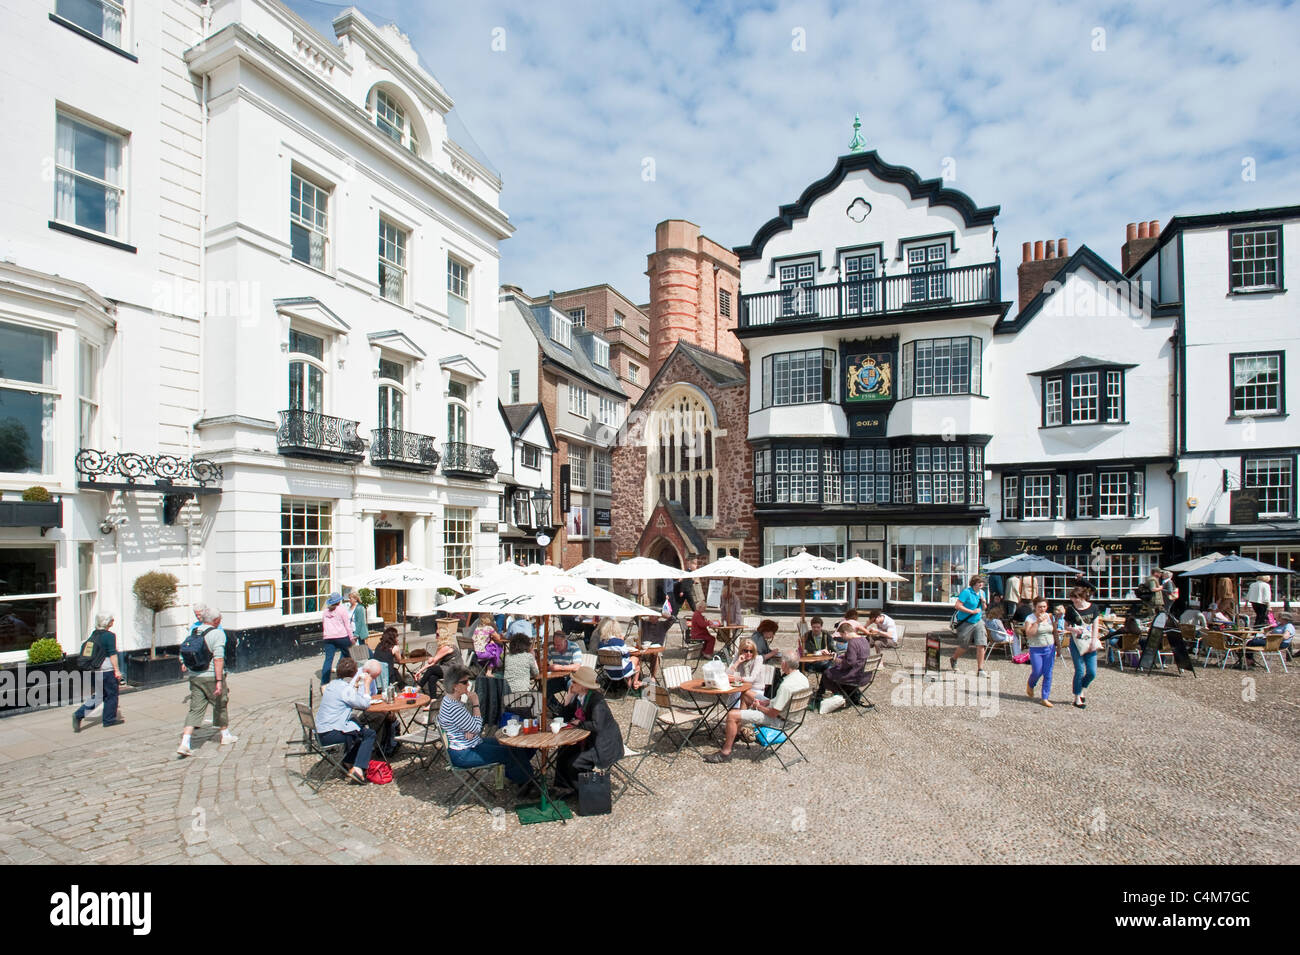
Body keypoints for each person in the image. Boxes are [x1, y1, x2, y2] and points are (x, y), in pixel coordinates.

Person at [704, 650, 809, 763]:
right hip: (793, 717)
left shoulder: (786, 686)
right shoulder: (803, 679)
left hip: (779, 720)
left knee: (732, 715)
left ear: (784, 664)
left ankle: (725, 752)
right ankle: (737, 732)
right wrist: (767, 702)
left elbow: (773, 713)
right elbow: (783, 701)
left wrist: (759, 706)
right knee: (746, 693)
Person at [437, 666, 534, 786]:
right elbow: (477, 728)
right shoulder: (454, 708)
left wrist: (470, 729)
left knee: (510, 743)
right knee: (510, 752)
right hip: (464, 752)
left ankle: (521, 777)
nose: (468, 685)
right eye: (465, 682)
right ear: (455, 686)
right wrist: (476, 703)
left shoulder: (448, 700)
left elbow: (471, 726)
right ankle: (529, 784)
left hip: (469, 743)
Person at [553, 666, 624, 795]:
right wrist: (568, 698)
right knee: (563, 751)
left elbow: (597, 725)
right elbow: (565, 717)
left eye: (574, 682)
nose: (571, 683)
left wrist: (580, 723)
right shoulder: (580, 696)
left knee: (575, 763)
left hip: (604, 745)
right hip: (590, 739)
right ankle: (564, 787)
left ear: (584, 686)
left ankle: (586, 792)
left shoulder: (597, 701)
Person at [177, 607, 237, 756]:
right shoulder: (217, 634)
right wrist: (218, 680)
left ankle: (185, 742)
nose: (220, 621)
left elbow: (184, 650)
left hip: (195, 675)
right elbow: (218, 658)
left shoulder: (194, 631)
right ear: (215, 620)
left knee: (195, 709)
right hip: (211, 675)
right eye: (220, 619)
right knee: (220, 704)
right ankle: (225, 735)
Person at [314, 656, 375, 784]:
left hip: (321, 731)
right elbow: (364, 704)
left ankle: (348, 761)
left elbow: (349, 697)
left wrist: (356, 685)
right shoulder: (345, 689)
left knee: (358, 726)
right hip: (330, 733)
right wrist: (367, 686)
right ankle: (358, 769)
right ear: (353, 673)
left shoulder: (332, 685)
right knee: (369, 734)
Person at [72, 612, 123, 732]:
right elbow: (112, 654)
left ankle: (79, 714)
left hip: (94, 671)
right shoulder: (109, 636)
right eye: (112, 619)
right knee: (111, 695)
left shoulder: (94, 634)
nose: (113, 621)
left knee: (99, 696)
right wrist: (117, 671)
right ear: (107, 622)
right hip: (107, 671)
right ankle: (109, 720)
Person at [813, 624, 873, 708]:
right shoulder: (864, 639)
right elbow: (855, 657)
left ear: (846, 632)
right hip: (865, 674)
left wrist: (835, 660)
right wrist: (838, 656)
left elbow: (850, 662)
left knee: (827, 672)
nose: (842, 638)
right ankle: (848, 694)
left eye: (842, 635)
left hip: (855, 676)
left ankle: (822, 697)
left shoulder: (852, 642)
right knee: (833, 671)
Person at [1064, 586, 1101, 709]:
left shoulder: (1093, 608)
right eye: (1073, 599)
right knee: (1079, 670)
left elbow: (1096, 625)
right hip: (1076, 642)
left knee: (1092, 672)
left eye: (1076, 599)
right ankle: (1077, 697)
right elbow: (1066, 626)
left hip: (1090, 639)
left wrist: (1094, 640)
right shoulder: (1071, 609)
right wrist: (1073, 629)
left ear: (1083, 597)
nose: (1074, 601)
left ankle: (1082, 687)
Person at [949, 575, 990, 676]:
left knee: (981, 644)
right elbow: (957, 606)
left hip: (978, 621)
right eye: (979, 582)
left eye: (982, 582)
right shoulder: (966, 592)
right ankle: (954, 658)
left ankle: (980, 669)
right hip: (965, 622)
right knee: (964, 645)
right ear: (974, 583)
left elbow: (984, 608)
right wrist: (971, 611)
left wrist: (984, 602)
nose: (981, 584)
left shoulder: (982, 593)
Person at [1024, 598, 1056, 708]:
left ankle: (1045, 697)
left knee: (1048, 673)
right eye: (1039, 607)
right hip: (1036, 648)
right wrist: (1037, 622)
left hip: (1049, 647)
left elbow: (1054, 631)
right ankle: (1031, 684)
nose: (1042, 609)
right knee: (1037, 671)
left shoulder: (1049, 616)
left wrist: (1059, 646)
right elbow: (1029, 633)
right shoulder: (1030, 618)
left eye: (1044, 607)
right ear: (1035, 607)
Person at [320, 592, 354, 686]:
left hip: (328, 637)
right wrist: (351, 637)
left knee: (328, 660)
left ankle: (324, 682)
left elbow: (324, 624)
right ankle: (346, 677)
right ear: (339, 601)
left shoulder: (326, 611)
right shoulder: (342, 610)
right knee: (348, 657)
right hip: (341, 636)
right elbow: (347, 625)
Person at [597, 618, 641, 691]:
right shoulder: (619, 642)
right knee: (636, 660)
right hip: (621, 672)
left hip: (608, 672)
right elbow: (627, 656)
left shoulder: (601, 644)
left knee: (626, 663)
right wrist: (622, 641)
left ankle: (629, 684)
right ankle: (635, 684)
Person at [725, 638, 765, 708]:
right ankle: (735, 714)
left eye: (751, 651)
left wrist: (738, 678)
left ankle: (737, 715)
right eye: (746, 651)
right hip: (741, 688)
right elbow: (727, 674)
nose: (749, 653)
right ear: (741, 651)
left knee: (740, 693)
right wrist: (737, 662)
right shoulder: (738, 656)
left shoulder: (758, 659)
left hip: (755, 689)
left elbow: (752, 679)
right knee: (735, 692)